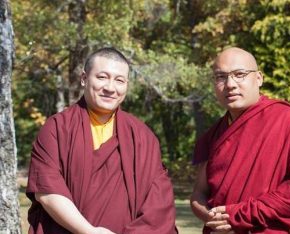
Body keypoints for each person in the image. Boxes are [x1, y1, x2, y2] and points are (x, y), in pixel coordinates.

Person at [26, 47, 177, 234]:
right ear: (84, 78)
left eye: (119, 80)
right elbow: (47, 191)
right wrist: (89, 231)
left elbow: (159, 205)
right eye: (102, 77)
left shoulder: (142, 137)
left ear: (127, 85)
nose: (110, 88)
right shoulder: (57, 128)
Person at [190, 47, 290, 234]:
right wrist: (213, 219)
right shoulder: (214, 134)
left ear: (259, 78)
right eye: (221, 77)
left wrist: (238, 216)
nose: (230, 84)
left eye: (239, 74)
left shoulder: (287, 120)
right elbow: (198, 194)